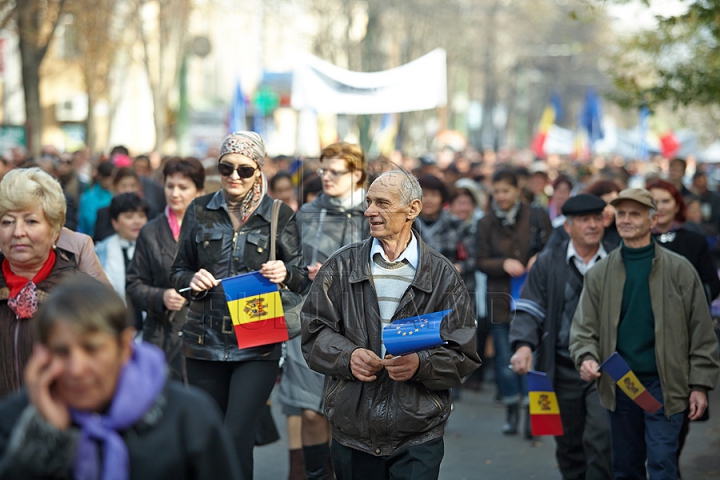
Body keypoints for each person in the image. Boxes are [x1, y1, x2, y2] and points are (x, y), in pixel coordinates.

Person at [301, 170, 480, 480]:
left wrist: (421, 363)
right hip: (352, 427)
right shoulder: (341, 266)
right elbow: (313, 332)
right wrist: (348, 356)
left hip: (417, 431)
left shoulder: (442, 274)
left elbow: (463, 353)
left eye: (382, 203)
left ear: (412, 209)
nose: (370, 211)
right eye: (369, 202)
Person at [0, 277, 242, 479]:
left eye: (92, 349)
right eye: (61, 351)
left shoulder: (187, 417)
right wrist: (45, 437)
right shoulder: (16, 420)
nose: (76, 368)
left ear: (125, 348)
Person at [170, 131, 307, 480]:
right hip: (204, 339)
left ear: (258, 171)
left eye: (244, 170)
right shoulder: (199, 210)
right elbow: (178, 273)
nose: (234, 176)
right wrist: (192, 281)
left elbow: (302, 277)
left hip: (258, 336)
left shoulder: (279, 214)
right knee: (209, 438)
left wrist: (285, 271)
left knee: (235, 437)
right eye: (226, 167)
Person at [569, 188, 720, 479]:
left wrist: (700, 384)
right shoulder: (600, 274)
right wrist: (586, 357)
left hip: (666, 385)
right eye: (621, 213)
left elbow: (701, 331)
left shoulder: (680, 270)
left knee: (663, 464)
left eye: (635, 214)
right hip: (621, 383)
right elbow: (583, 328)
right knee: (626, 467)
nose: (626, 220)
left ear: (653, 221)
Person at [280, 142, 369, 480]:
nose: (326, 177)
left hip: (358, 327)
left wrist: (337, 274)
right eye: (323, 170)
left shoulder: (373, 213)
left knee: (346, 414)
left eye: (336, 171)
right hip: (309, 319)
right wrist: (298, 272)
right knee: (310, 411)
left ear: (356, 174)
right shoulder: (306, 213)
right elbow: (292, 266)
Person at [509, 194, 612, 480]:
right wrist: (524, 345)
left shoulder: (617, 259)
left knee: (602, 438)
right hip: (562, 367)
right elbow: (530, 307)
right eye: (583, 220)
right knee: (568, 444)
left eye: (597, 218)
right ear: (567, 227)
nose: (592, 225)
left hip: (605, 368)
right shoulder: (549, 262)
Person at [476, 169, 552, 437]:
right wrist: (503, 263)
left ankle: (536, 416)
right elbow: (479, 260)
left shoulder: (536, 215)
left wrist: (538, 258)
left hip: (533, 297)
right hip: (500, 298)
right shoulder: (486, 222)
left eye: (506, 191)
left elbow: (553, 245)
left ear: (517, 191)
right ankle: (511, 409)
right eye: (496, 192)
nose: (501, 197)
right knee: (505, 360)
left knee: (538, 356)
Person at [0, 168, 85, 399]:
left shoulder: (81, 293)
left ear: (55, 231)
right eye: (7, 221)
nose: (18, 232)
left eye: (31, 221)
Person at [127, 157, 205, 381]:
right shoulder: (150, 232)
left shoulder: (213, 230)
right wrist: (160, 296)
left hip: (203, 335)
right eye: (170, 186)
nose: (175, 193)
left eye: (183, 187)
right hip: (162, 335)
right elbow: (133, 284)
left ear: (198, 191)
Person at [648, 179, 720, 300]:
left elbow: (712, 286)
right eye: (654, 202)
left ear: (677, 206)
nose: (659, 207)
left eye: (665, 201)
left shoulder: (696, 241)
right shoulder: (637, 241)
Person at [78, 161, 114, 237]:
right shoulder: (87, 198)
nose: (110, 181)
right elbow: (87, 224)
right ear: (100, 177)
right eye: (107, 177)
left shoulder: (119, 195)